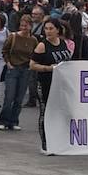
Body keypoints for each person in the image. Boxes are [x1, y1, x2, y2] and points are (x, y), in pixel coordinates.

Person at [30, 17, 74, 151]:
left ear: (58, 30)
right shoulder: (42, 45)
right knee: (45, 112)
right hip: (45, 82)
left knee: (61, 112)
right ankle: (45, 143)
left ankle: (60, 139)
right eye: (46, 29)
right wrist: (49, 68)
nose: (48, 31)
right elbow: (32, 65)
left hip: (61, 83)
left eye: (51, 29)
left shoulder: (63, 43)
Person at [0, 14, 37, 132]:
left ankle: (14, 120)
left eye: (26, 26)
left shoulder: (33, 40)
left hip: (25, 70)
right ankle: (3, 121)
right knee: (9, 96)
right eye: (22, 25)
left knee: (19, 98)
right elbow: (5, 50)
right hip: (13, 68)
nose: (23, 28)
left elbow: (35, 54)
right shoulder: (13, 36)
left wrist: (31, 66)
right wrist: (8, 63)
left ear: (30, 26)